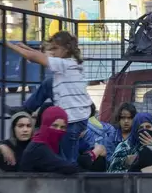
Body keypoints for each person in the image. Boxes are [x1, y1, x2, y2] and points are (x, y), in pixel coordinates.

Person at [7, 31, 93, 163]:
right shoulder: (71, 62)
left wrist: (10, 45)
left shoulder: (65, 64)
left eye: (55, 49)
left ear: (66, 49)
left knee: (68, 159)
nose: (52, 52)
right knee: (48, 84)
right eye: (51, 49)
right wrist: (24, 47)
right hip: (77, 115)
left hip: (73, 119)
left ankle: (72, 180)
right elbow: (36, 56)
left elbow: (35, 57)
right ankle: (26, 109)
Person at [19, 106, 104, 174]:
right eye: (54, 126)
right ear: (45, 125)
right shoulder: (38, 147)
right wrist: (92, 155)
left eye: (63, 127)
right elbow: (68, 168)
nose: (58, 130)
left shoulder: (56, 144)